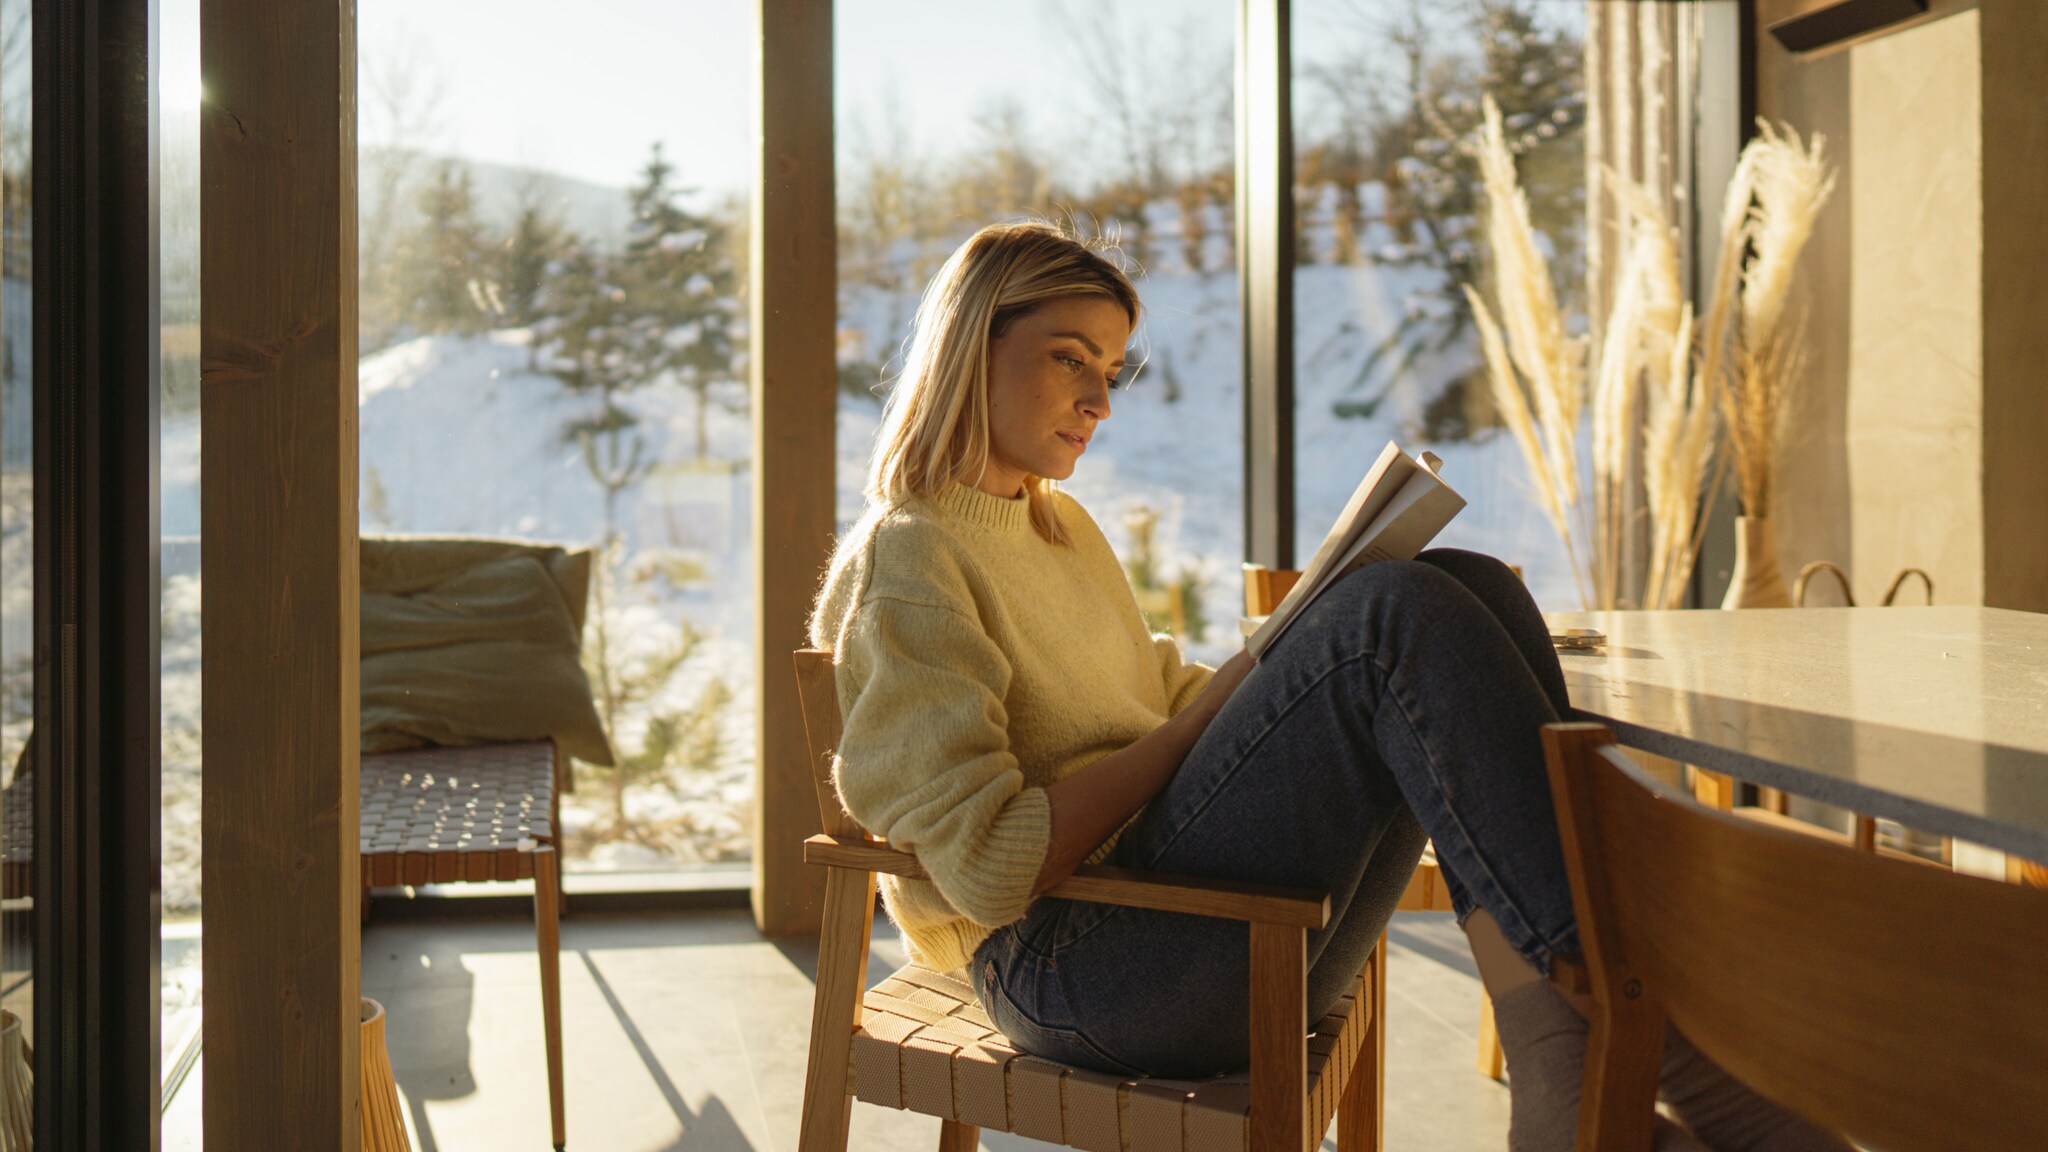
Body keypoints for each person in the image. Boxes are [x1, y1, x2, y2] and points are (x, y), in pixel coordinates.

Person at [808, 220, 1846, 1152]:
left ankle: (1558, 1051)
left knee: (1457, 580)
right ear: (967, 345)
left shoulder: (1055, 524)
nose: (1096, 400)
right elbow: (989, 869)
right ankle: (1640, 1031)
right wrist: (1240, 700)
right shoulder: (913, 559)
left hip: (1210, 931)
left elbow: (1150, 700)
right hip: (1073, 972)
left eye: (1112, 370)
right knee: (1385, 618)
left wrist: (1279, 656)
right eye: (1068, 359)